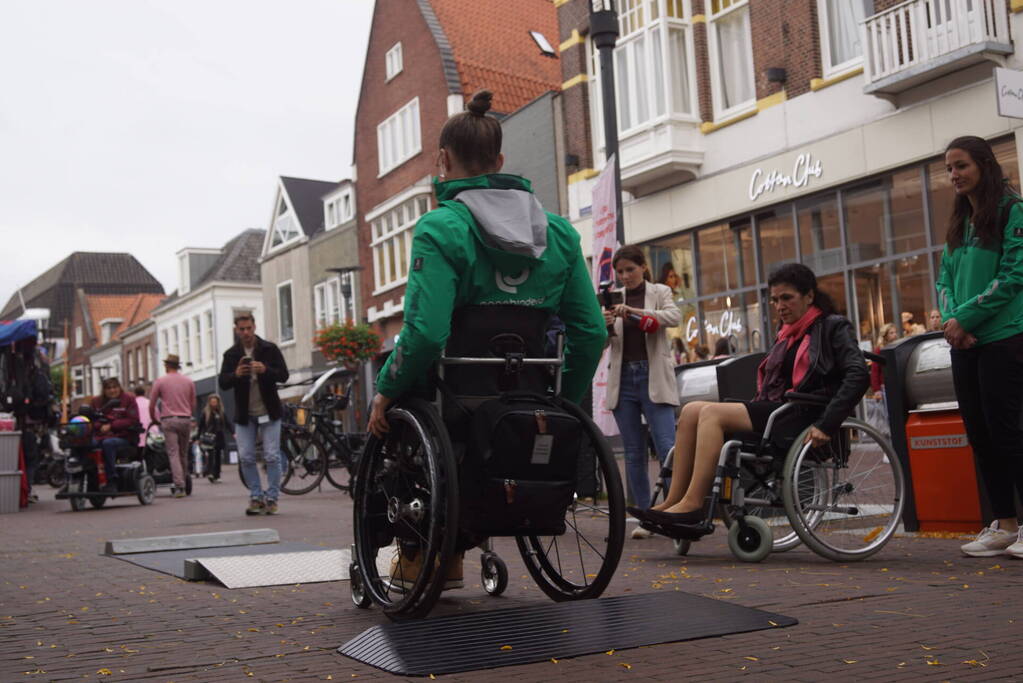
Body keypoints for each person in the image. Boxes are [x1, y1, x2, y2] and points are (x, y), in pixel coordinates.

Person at [366, 89, 606, 587]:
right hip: (528, 393)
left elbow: (425, 333)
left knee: (394, 422)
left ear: (442, 160)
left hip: (457, 398)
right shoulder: (559, 234)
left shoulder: (440, 228)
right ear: (499, 161)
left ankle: (423, 553)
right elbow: (590, 332)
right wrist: (563, 403)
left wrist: (385, 391)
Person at [631, 263, 868, 533]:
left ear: (809, 296)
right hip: (781, 410)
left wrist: (827, 423)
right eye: (775, 300)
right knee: (690, 410)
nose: (779, 306)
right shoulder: (787, 332)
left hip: (806, 414)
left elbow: (859, 374)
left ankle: (694, 504)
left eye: (787, 298)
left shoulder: (833, 327)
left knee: (710, 414)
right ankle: (673, 501)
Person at [936, 135, 1023, 559]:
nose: (954, 174)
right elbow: (943, 280)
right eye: (949, 169)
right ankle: (1005, 525)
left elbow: (1014, 274)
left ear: (985, 165)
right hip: (965, 343)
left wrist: (965, 318)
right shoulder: (960, 221)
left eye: (962, 165)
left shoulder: (1011, 209)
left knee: (1008, 432)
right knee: (981, 435)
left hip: (1005, 338)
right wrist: (954, 322)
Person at [602, 245, 681, 539]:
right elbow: (603, 344)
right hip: (623, 378)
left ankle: (674, 511)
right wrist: (604, 325)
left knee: (667, 447)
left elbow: (673, 317)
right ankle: (645, 516)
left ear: (643, 267)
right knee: (633, 452)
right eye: (620, 271)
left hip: (653, 375)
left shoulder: (660, 291)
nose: (625, 276)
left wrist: (633, 312)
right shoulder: (612, 298)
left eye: (630, 269)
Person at [219, 313, 289, 516]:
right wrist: (235, 374)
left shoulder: (269, 349)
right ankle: (256, 496)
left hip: (269, 411)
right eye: (242, 329)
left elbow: (284, 375)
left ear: (255, 327)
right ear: (236, 330)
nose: (246, 333)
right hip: (245, 414)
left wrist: (265, 369)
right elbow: (223, 382)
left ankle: (272, 498)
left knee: (272, 456)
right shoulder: (231, 354)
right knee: (246, 457)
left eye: (249, 328)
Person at [149, 354, 196, 498]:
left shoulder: (160, 381)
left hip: (169, 420)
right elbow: (193, 403)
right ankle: (185, 481)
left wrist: (154, 419)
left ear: (167, 365)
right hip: (185, 419)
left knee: (173, 453)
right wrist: (187, 414)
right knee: (183, 453)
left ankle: (179, 486)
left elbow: (152, 404)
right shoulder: (188, 381)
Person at [90, 377, 140, 493]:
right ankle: (85, 478)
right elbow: (91, 419)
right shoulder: (96, 401)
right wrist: (99, 426)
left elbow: (133, 420)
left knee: (108, 443)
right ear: (104, 390)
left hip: (123, 437)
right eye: (108, 388)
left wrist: (111, 425)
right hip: (100, 436)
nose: (112, 390)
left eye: (115, 387)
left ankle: (112, 479)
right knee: (87, 444)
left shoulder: (129, 399)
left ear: (119, 387)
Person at [197, 394, 231, 483]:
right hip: (209, 437)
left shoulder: (221, 412)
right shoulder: (206, 412)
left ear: (218, 402)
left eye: (215, 402)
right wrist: (198, 437)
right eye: (212, 402)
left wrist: (233, 433)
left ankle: (217, 475)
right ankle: (211, 473)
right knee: (211, 455)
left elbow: (227, 423)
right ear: (209, 402)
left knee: (218, 456)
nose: (214, 403)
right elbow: (200, 425)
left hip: (219, 436)